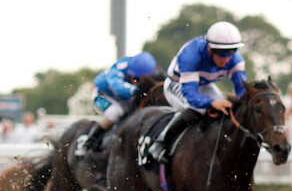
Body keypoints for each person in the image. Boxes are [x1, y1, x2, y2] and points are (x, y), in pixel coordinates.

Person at [147, 21, 247, 163]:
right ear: (210, 49)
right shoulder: (191, 55)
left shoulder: (235, 60)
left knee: (224, 112)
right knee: (196, 110)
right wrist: (212, 102)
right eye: (222, 53)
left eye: (232, 51)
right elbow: (191, 95)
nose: (227, 58)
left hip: (204, 85)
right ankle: (161, 142)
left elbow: (242, 91)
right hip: (178, 84)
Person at [75, 51, 157, 157]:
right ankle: (88, 142)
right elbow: (117, 86)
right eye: (136, 79)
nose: (137, 82)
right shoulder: (119, 68)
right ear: (130, 73)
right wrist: (136, 89)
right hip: (102, 94)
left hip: (123, 98)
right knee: (115, 112)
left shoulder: (144, 68)